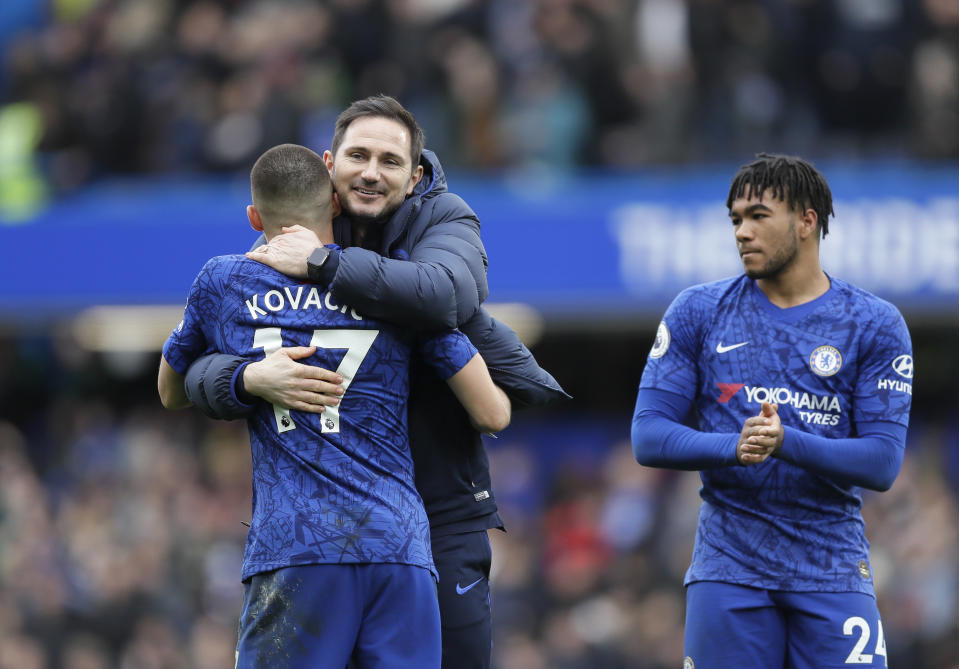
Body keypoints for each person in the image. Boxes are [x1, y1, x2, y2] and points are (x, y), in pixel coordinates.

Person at [180, 95, 569, 669]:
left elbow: (443, 295)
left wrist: (326, 265)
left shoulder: (442, 220)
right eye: (358, 155)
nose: (370, 171)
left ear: (415, 177)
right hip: (323, 538)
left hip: (436, 520)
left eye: (389, 161)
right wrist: (248, 376)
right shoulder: (285, 240)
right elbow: (192, 366)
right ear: (328, 164)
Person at [631, 153, 913, 669]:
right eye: (736, 219)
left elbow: (882, 463)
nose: (742, 231)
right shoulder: (699, 311)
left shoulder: (873, 323)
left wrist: (786, 443)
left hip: (832, 570)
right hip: (729, 569)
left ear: (807, 220)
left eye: (759, 215)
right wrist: (733, 447)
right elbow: (648, 435)